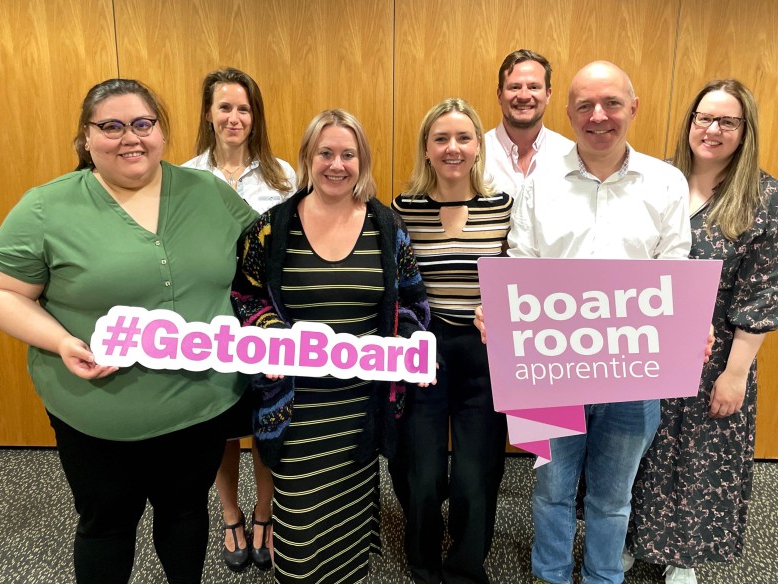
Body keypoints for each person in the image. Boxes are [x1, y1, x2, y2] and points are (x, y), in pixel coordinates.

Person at [0, 78, 259, 584]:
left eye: (143, 124)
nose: (131, 137)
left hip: (200, 405)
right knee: (106, 526)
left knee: (186, 514)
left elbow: (265, 256)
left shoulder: (208, 192)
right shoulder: (46, 207)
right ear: (87, 137)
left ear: (161, 132)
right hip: (97, 413)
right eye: (111, 126)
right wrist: (61, 341)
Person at [476, 61, 692, 584]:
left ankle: (603, 577)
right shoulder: (539, 182)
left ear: (632, 108)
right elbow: (521, 262)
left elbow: (675, 268)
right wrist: (500, 312)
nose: (599, 116)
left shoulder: (666, 183)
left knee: (613, 497)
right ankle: (550, 575)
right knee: (551, 490)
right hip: (548, 370)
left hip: (633, 374)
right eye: (585, 106)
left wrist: (690, 321)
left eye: (611, 103)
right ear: (569, 113)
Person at [230, 109, 430, 584]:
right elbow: (244, 295)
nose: (337, 164)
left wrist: (406, 347)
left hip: (362, 405)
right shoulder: (271, 228)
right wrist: (270, 334)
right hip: (296, 405)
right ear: (307, 158)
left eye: (348, 154)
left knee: (348, 528)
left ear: (362, 161)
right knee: (300, 527)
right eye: (325, 153)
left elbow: (412, 300)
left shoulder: (388, 227)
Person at [627, 79, 778, 584]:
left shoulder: (761, 196)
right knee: (637, 449)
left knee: (698, 458)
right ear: (690, 122)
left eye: (728, 121)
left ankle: (684, 554)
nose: (713, 129)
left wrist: (735, 373)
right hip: (645, 342)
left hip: (716, 354)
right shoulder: (656, 179)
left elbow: (761, 292)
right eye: (704, 118)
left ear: (745, 131)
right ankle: (630, 540)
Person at [388, 98, 511, 584]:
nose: (452, 148)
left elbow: (523, 282)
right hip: (424, 349)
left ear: (478, 145)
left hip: (485, 352)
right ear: (427, 148)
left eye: (463, 137)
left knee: (476, 475)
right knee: (420, 472)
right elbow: (394, 286)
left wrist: (500, 308)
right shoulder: (403, 209)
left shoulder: (503, 208)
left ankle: (464, 568)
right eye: (441, 138)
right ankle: (422, 563)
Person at [182, 67, 295, 572]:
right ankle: (231, 515)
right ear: (208, 113)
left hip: (268, 315)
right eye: (224, 107)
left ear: (256, 116)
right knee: (222, 426)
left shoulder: (282, 176)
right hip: (210, 317)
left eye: (244, 109)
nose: (234, 117)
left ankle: (266, 513)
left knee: (268, 420)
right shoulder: (184, 176)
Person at [483, 49, 573, 198]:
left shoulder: (569, 155)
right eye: (515, 87)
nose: (524, 96)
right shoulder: (477, 155)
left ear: (548, 94)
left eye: (533, 87)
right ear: (499, 95)